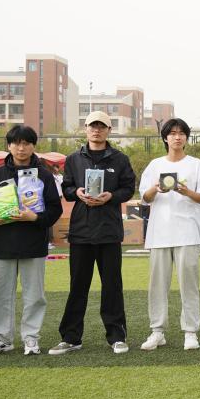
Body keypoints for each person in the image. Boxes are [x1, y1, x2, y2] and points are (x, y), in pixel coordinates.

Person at [49, 111, 136, 356]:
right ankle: (70, 338)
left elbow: (128, 188)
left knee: (112, 286)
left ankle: (117, 336)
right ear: (85, 128)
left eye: (101, 126)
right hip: (81, 232)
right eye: (92, 126)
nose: (96, 130)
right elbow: (66, 188)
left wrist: (111, 196)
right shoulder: (73, 159)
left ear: (109, 130)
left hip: (109, 232)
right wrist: (77, 192)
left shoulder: (120, 159)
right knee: (78, 286)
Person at [0, 125, 64, 356]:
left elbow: (55, 209)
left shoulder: (44, 175)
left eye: (26, 143)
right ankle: (1, 337)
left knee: (35, 295)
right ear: (9, 145)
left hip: (33, 243)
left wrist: (35, 218)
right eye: (16, 143)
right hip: (2, 243)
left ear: (33, 146)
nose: (21, 148)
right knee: (1, 295)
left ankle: (31, 337)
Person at [138, 118, 200, 352]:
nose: (177, 137)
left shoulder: (196, 165)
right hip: (159, 233)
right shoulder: (155, 165)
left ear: (186, 138)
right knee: (157, 285)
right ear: (165, 138)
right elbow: (144, 198)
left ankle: (190, 332)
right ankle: (157, 331)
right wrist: (155, 189)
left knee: (189, 285)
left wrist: (187, 191)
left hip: (188, 232)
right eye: (172, 133)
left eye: (181, 133)